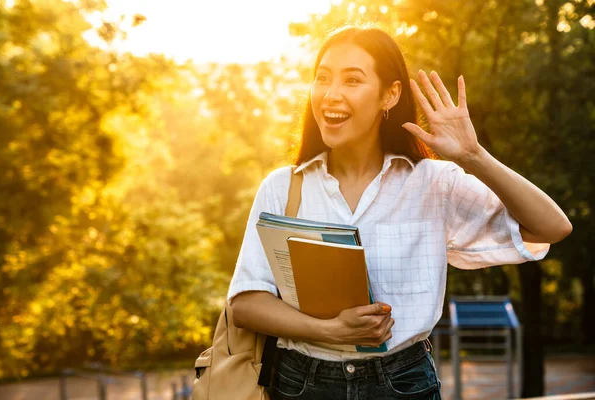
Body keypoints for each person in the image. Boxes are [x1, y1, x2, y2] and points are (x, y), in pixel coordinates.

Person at [228, 26, 572, 400]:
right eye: (322, 78)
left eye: (352, 80)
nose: (331, 94)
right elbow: (246, 304)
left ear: (389, 95)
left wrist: (474, 157)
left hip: (403, 385)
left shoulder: (433, 183)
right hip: (300, 385)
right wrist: (331, 331)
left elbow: (551, 227)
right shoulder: (282, 187)